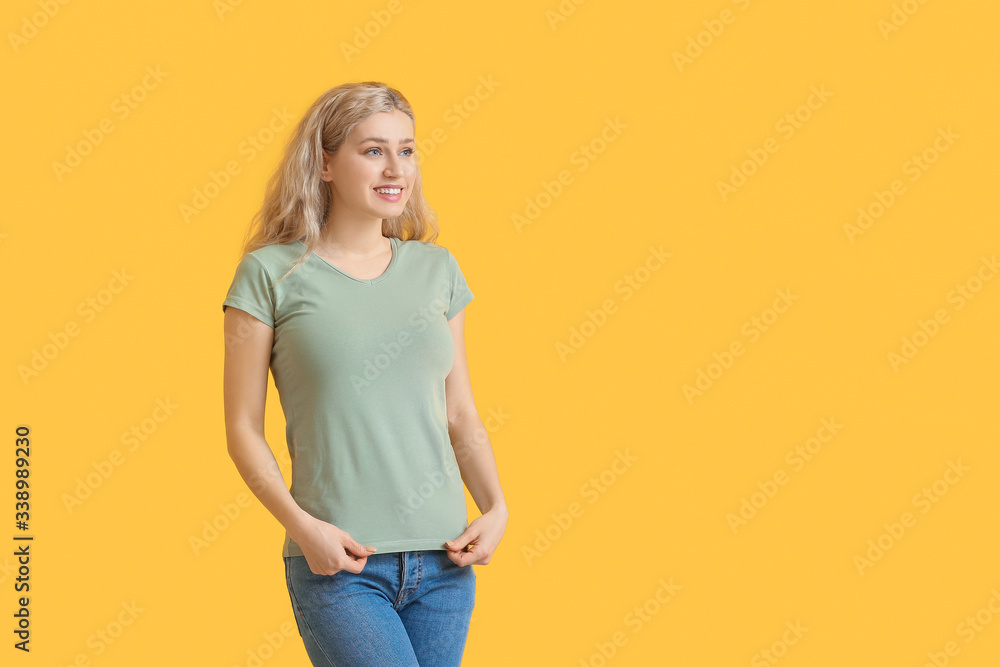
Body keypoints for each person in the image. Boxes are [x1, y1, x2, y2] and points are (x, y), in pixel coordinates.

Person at [221, 81, 508, 666]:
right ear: (324, 163)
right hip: (340, 564)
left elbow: (459, 412)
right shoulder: (269, 275)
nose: (395, 167)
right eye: (373, 150)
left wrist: (496, 506)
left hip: (445, 561)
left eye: (406, 149)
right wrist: (304, 529)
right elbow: (242, 429)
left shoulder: (437, 269)